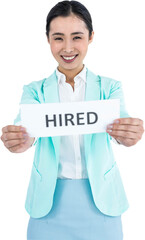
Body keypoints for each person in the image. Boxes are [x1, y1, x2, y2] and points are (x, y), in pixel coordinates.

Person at [1, 1, 144, 240]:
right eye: (58, 38)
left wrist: (129, 134)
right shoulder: (34, 91)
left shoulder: (110, 87)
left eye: (77, 37)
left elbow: (122, 122)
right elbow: (27, 127)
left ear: (90, 37)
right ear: (48, 39)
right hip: (48, 204)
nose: (67, 48)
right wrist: (20, 139)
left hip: (101, 202)